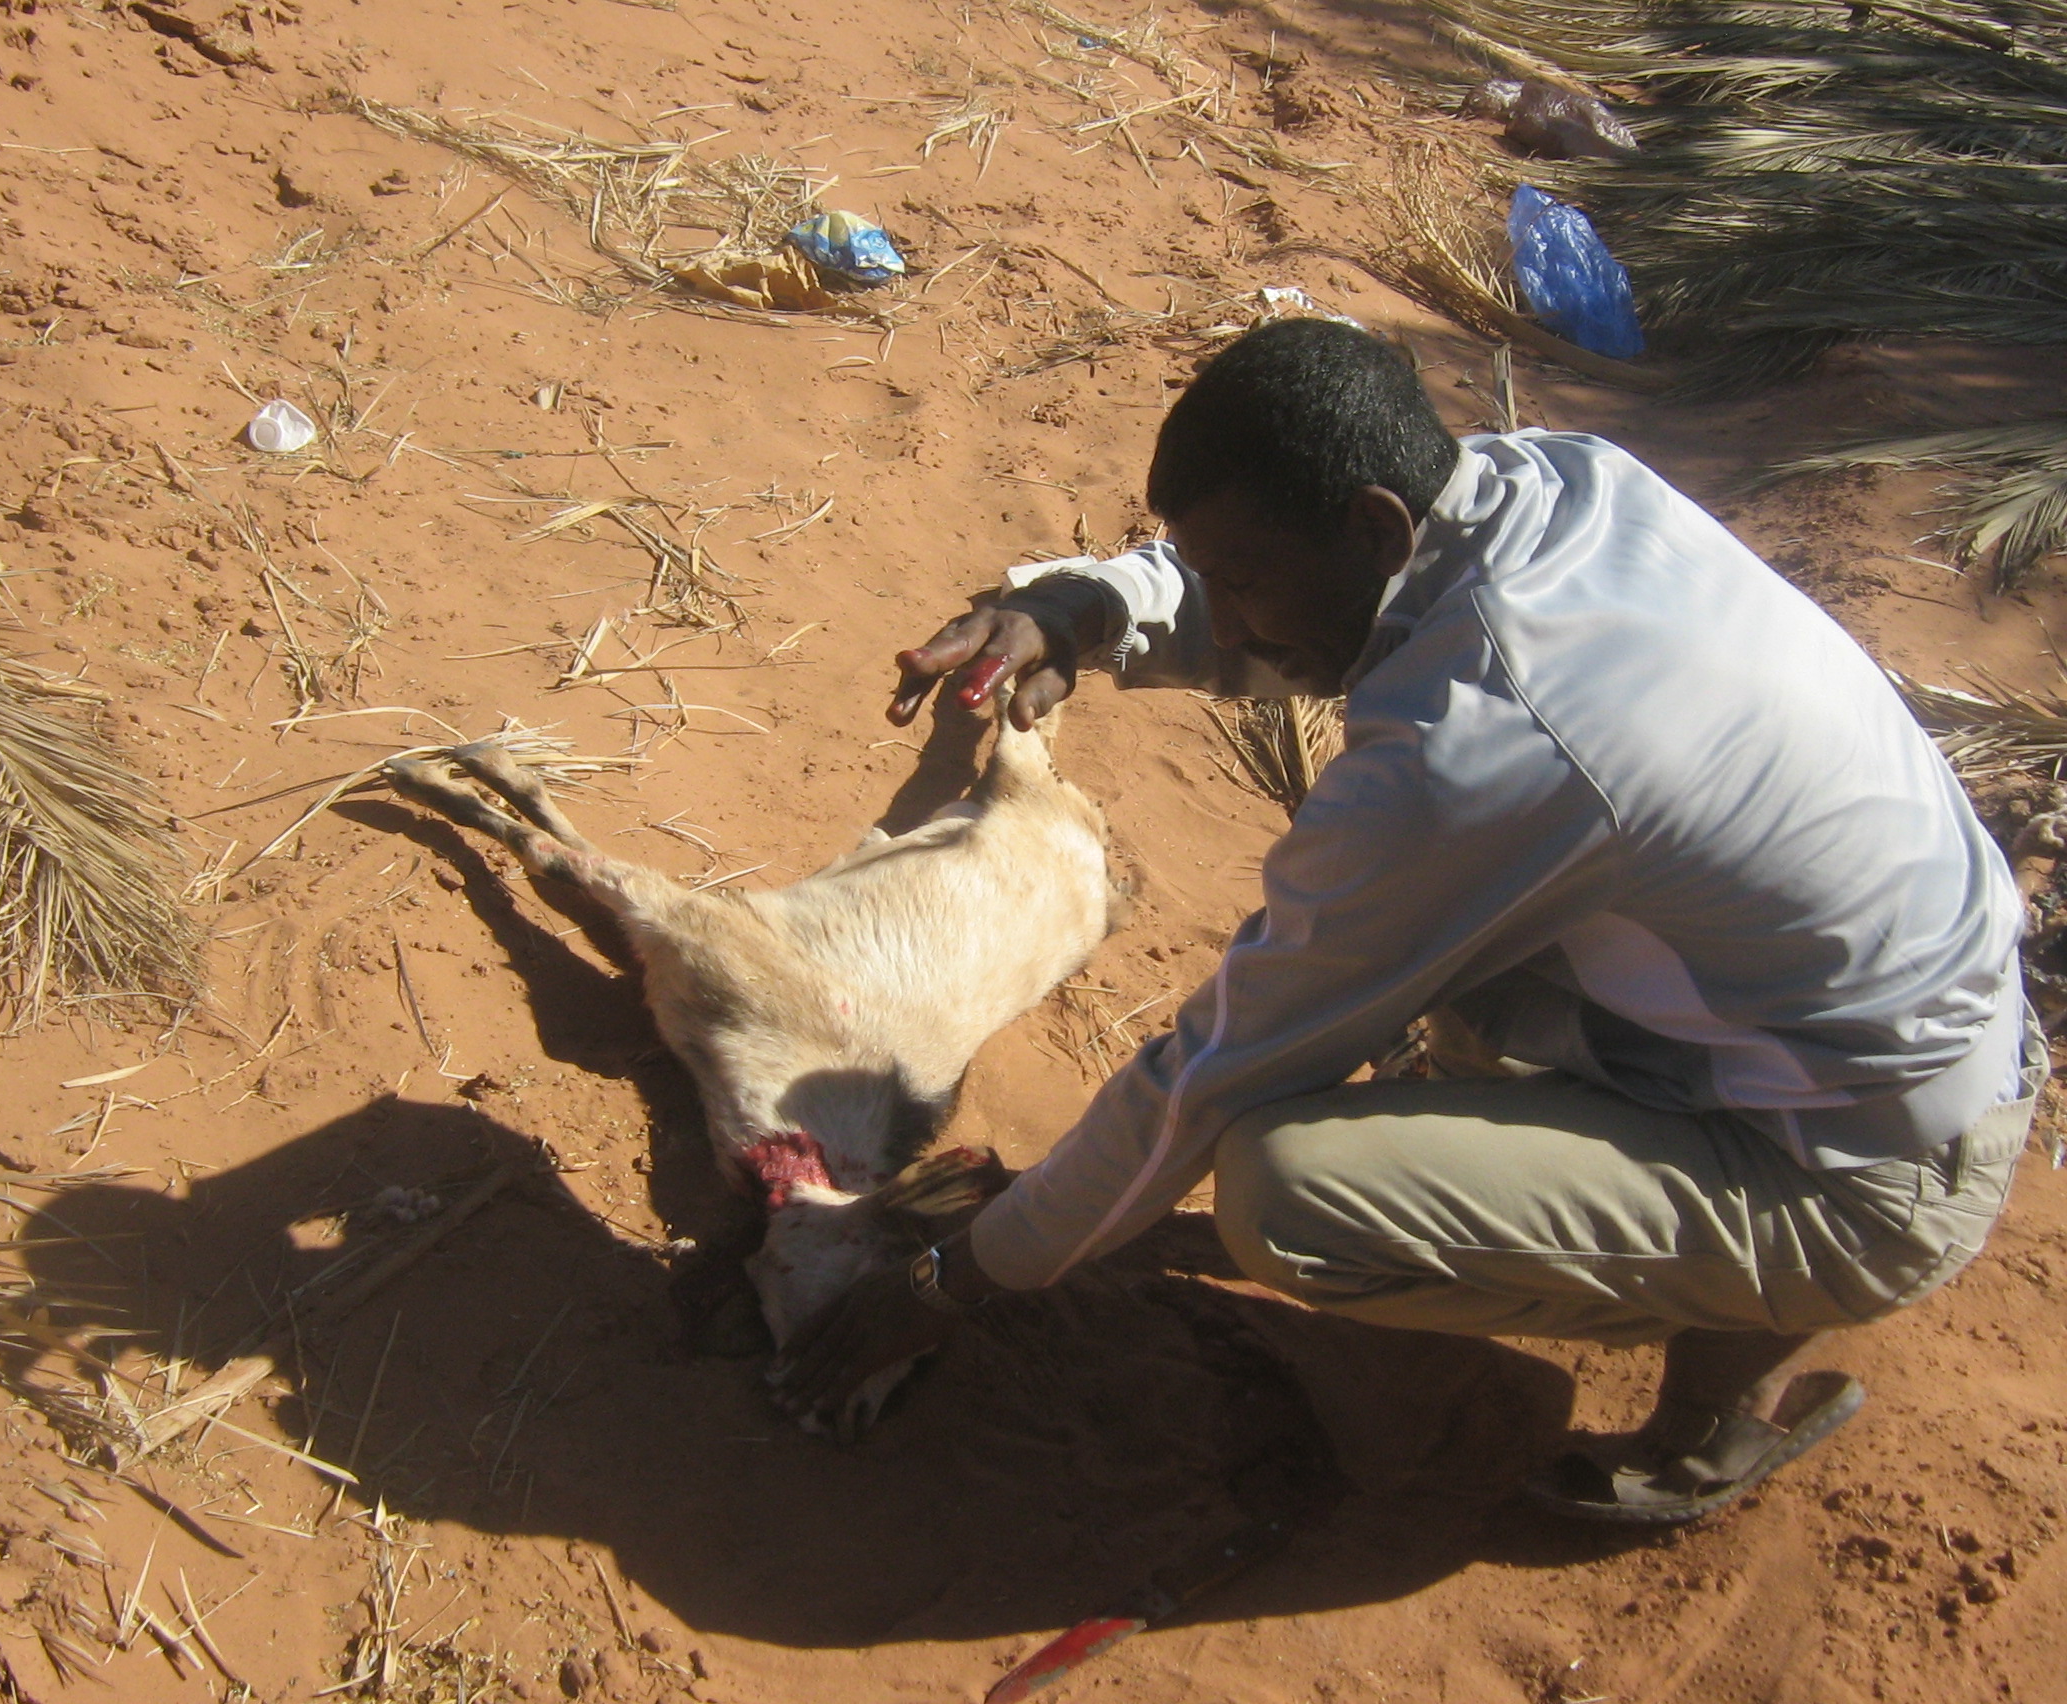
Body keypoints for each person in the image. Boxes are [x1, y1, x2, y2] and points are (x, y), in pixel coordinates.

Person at [767, 318, 2045, 1524]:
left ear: (1377, 525)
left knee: (1289, 1191)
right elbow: (1297, 601)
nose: (1237, 612)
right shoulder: (1551, 484)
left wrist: (957, 1277)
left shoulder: (1489, 744)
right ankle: (1643, 1208)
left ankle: (1723, 1384)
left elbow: (1207, 1079)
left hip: (1865, 1167)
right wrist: (1089, 606)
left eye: (1243, 581)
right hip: (1905, 1020)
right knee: (1443, 965)